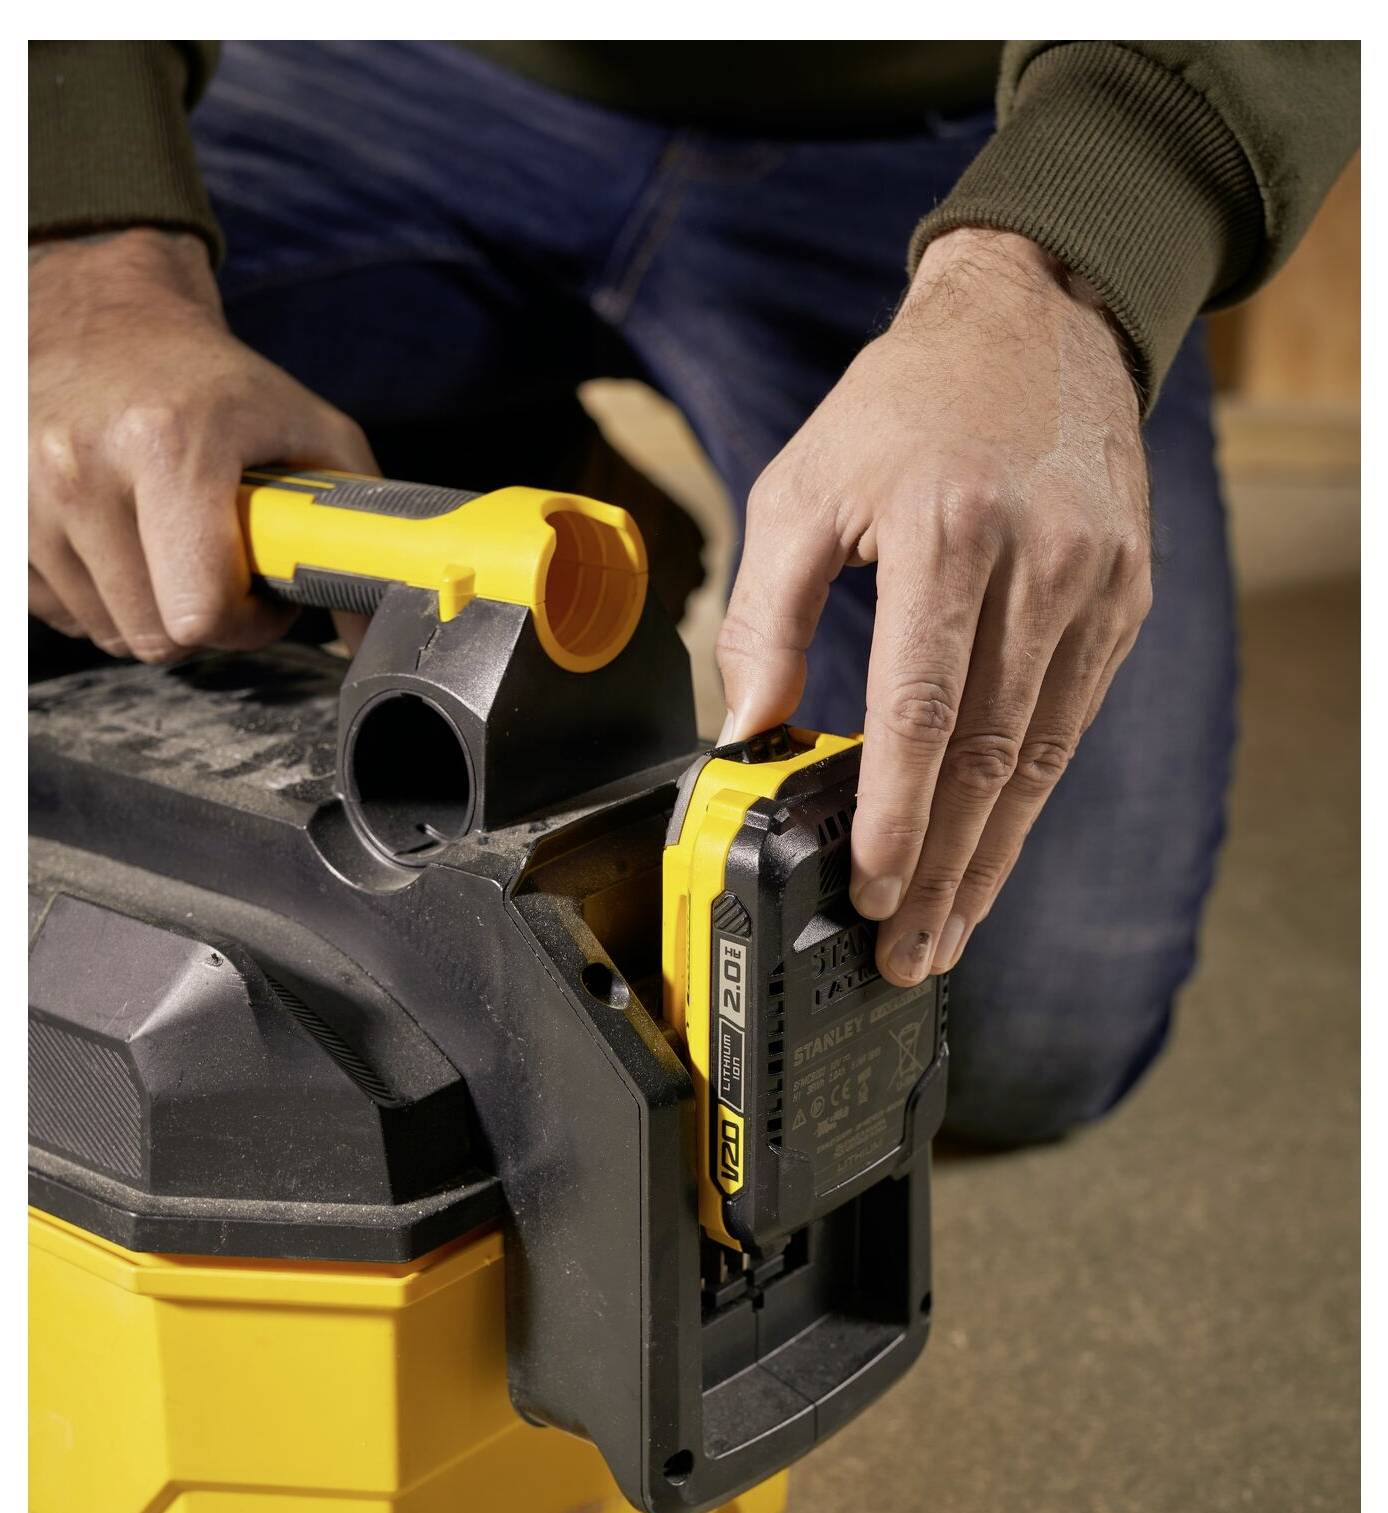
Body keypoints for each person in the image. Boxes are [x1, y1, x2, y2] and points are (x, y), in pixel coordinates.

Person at [28, 40, 1358, 1140]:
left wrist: (1064, 265)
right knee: (67, 503)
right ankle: (511, 469)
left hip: (951, 127)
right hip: (400, 61)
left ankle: (511, 480)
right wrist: (75, 242)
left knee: (1008, 1021)